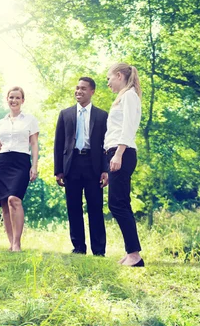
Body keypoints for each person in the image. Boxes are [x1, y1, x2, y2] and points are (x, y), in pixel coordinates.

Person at [54, 77, 108, 256]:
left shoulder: (101, 116)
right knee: (73, 207)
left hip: (93, 165)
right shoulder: (65, 114)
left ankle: (99, 250)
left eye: (83, 88)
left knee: (95, 207)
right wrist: (58, 170)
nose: (79, 91)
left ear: (92, 91)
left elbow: (106, 145)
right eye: (77, 88)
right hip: (72, 165)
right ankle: (78, 248)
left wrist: (105, 170)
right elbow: (59, 143)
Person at [0, 87, 39, 252]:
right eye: (11, 97)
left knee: (14, 200)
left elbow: (34, 144)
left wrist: (34, 165)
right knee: (4, 204)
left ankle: (17, 243)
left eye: (17, 97)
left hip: (21, 162)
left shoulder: (30, 120)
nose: (14, 100)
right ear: (7, 99)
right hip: (2, 163)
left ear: (22, 100)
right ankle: (11, 243)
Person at [104, 63, 144, 267]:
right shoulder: (124, 97)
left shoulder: (129, 96)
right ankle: (131, 253)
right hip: (116, 152)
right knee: (119, 203)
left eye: (109, 78)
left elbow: (128, 127)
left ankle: (134, 255)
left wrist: (118, 154)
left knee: (118, 204)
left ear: (119, 75)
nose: (108, 83)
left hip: (122, 152)